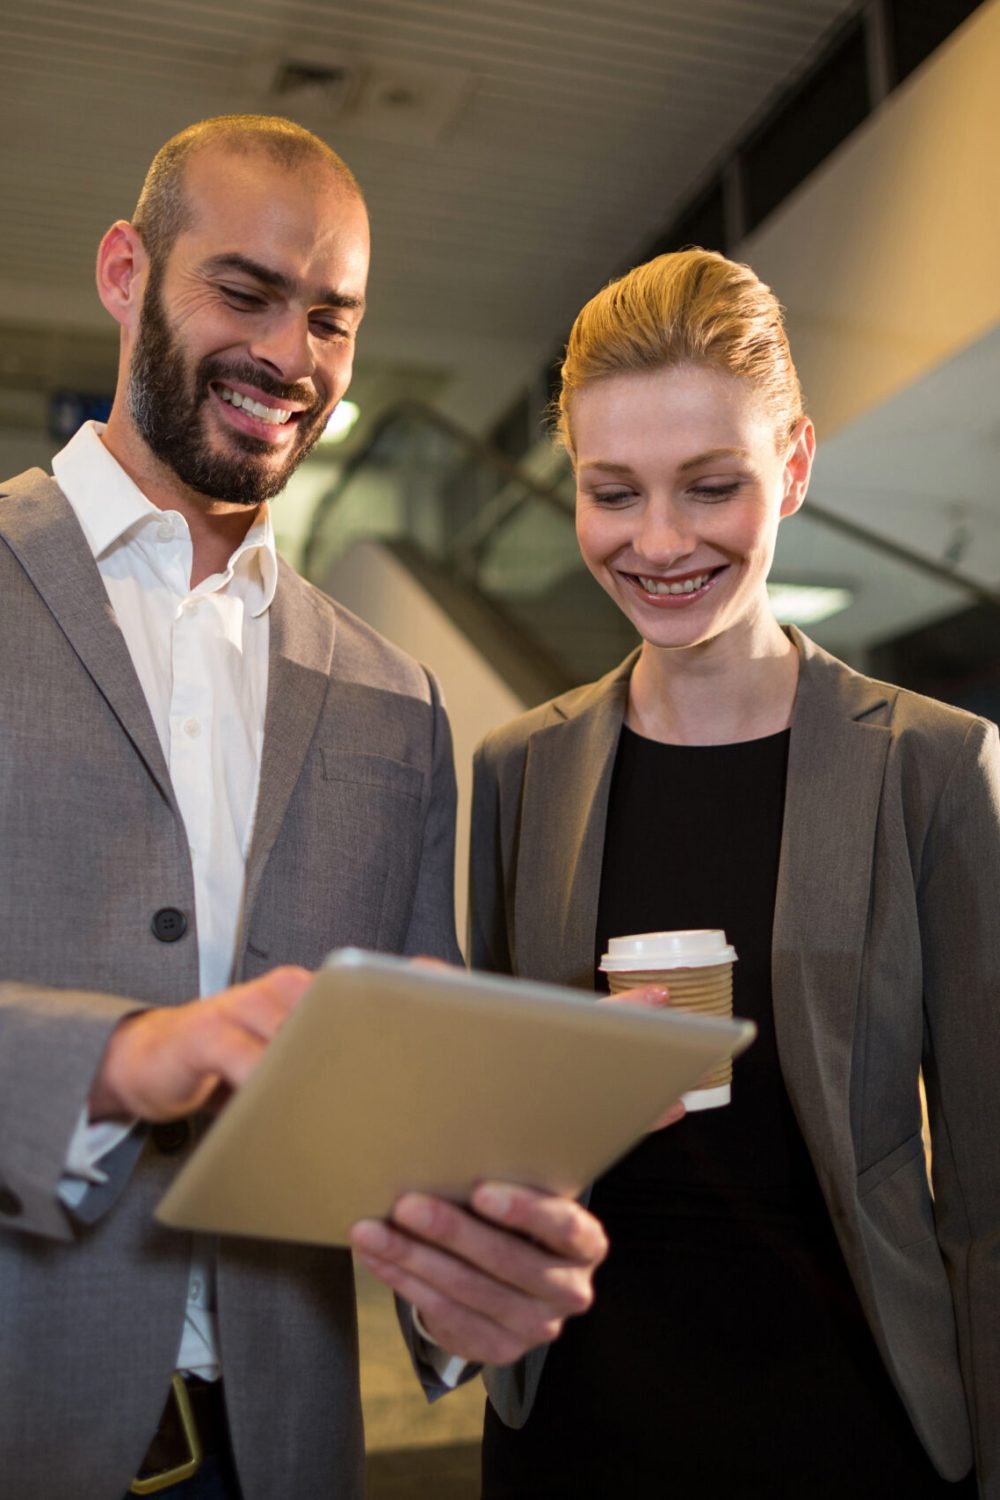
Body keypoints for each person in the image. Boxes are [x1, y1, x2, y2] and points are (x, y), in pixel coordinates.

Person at [0, 115, 609, 1500]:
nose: (292, 357)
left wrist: (477, 1266)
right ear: (122, 272)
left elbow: (412, 1093)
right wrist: (115, 1061)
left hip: (285, 1450)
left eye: (332, 319)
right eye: (245, 291)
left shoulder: (394, 694)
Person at [470, 249, 999, 1498]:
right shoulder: (518, 775)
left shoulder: (930, 766)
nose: (658, 543)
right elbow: (484, 1133)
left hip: (852, 1420)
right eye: (613, 493)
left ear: (796, 467)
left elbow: (986, 1196)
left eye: (711, 487)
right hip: (577, 1424)